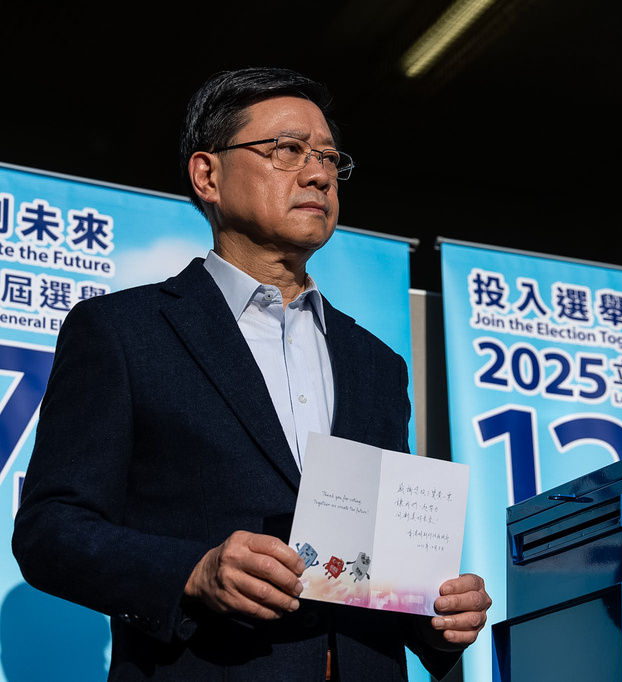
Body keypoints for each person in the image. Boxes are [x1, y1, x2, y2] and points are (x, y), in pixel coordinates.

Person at [11, 67, 490, 681]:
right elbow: (50, 530)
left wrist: (440, 618)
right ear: (207, 174)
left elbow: (379, 570)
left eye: (328, 158)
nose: (317, 174)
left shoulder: (377, 364)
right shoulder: (123, 331)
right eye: (287, 150)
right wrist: (193, 571)